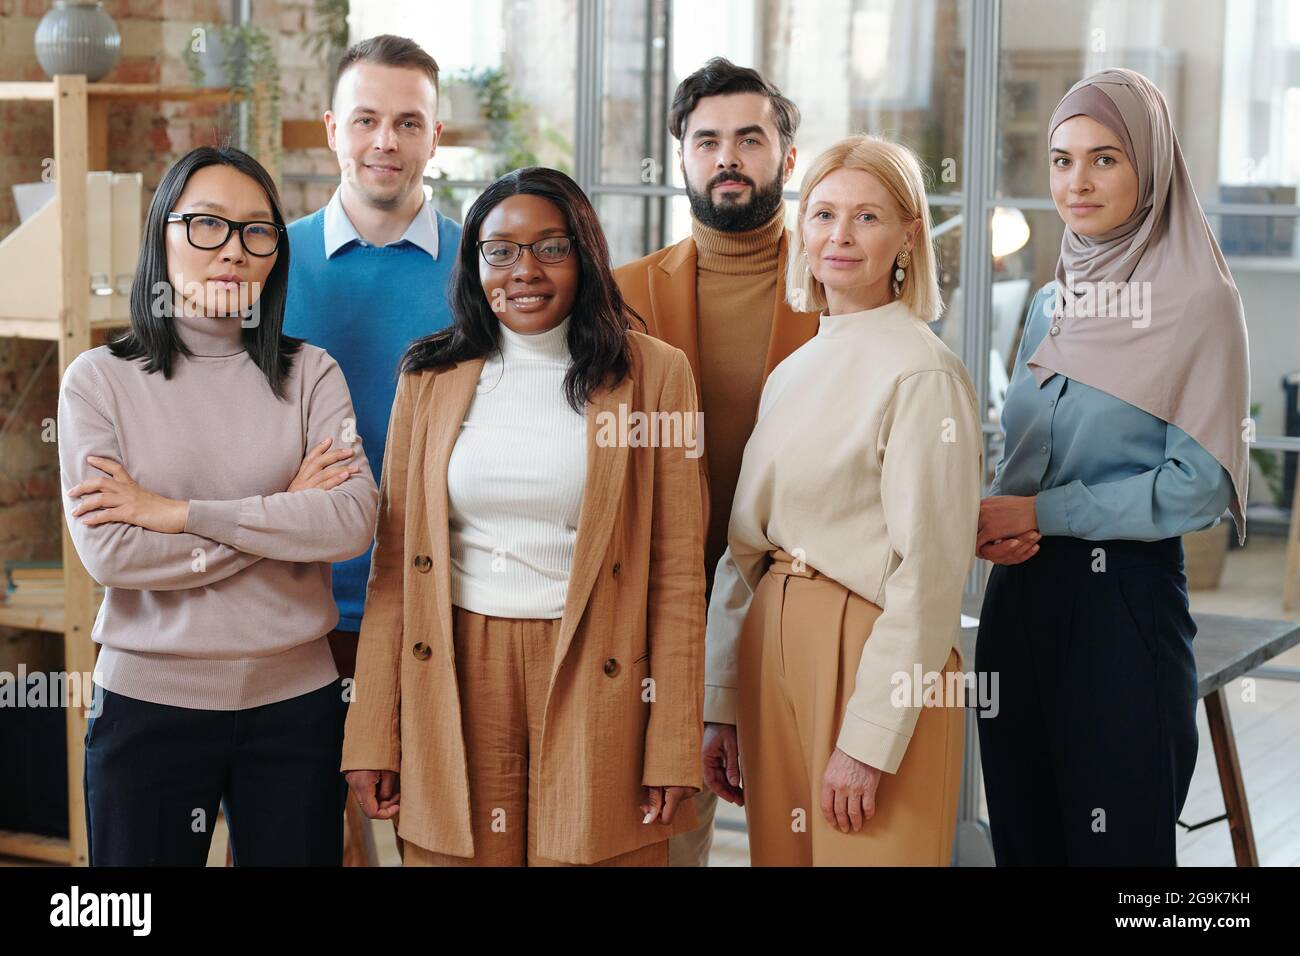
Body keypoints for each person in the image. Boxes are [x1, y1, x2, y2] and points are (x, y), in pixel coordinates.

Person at [341, 166, 706, 866]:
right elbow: (394, 568)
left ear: (585, 255)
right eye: (499, 250)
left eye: (551, 247)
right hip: (453, 668)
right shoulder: (428, 376)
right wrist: (371, 733)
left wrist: (671, 741)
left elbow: (678, 573)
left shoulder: (658, 375)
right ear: (475, 261)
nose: (524, 271)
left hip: (598, 669)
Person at [59, 146, 378, 866]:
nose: (232, 251)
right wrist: (283, 513)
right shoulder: (98, 382)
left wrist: (179, 514)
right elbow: (114, 554)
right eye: (207, 225)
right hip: (147, 707)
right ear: (161, 235)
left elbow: (353, 521)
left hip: (297, 707)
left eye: (256, 231)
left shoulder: (311, 373)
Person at [975, 68, 1249, 867]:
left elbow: (1200, 483)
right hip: (1019, 601)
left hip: (1122, 611)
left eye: (1105, 158)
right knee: (1025, 843)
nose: (1077, 181)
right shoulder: (1051, 301)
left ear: (1152, 166)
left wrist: (1046, 515)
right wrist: (992, 514)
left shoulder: (1201, 303)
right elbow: (1018, 457)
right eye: (1061, 160)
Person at [703, 134, 981, 866]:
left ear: (908, 237)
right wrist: (720, 700)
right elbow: (744, 551)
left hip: (872, 657)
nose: (840, 236)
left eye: (867, 217)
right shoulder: (793, 371)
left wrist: (870, 740)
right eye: (823, 214)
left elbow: (929, 577)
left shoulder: (924, 374)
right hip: (772, 649)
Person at [613, 56, 819, 867]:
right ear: (683, 157)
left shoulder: (841, 284)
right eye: (707, 141)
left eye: (750, 138)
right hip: (665, 616)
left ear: (787, 158)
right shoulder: (624, 293)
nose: (727, 156)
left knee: (801, 838)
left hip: (801, 609)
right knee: (664, 841)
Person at [283, 34, 461, 756]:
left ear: (434, 137)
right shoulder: (266, 260)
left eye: (409, 123)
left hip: (440, 604)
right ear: (333, 130)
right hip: (293, 605)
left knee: (439, 828)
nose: (385, 141)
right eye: (365, 120)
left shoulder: (486, 269)